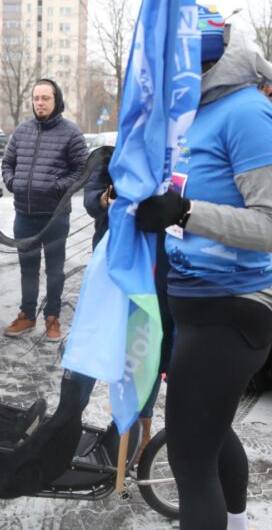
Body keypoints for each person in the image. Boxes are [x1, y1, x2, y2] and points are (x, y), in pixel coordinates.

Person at [136, 5, 272, 530]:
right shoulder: (193, 112)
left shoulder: (247, 113)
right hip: (192, 305)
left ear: (201, 60)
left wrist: (186, 213)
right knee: (213, 433)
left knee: (189, 458)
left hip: (231, 310)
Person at [82, 146, 175, 457]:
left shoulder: (170, 156)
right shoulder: (110, 156)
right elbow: (91, 198)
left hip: (157, 270)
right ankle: (116, 424)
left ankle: (141, 430)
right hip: (115, 267)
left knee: (149, 347)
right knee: (114, 345)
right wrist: (105, 199)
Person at [2, 78, 88, 342]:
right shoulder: (21, 131)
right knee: (28, 269)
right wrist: (13, 183)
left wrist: (55, 187)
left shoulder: (71, 133)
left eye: (45, 98)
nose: (40, 103)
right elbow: (7, 164)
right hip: (24, 215)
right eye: (36, 98)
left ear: (56, 100)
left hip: (55, 217)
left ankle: (53, 318)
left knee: (54, 271)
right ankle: (27, 315)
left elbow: (82, 171)